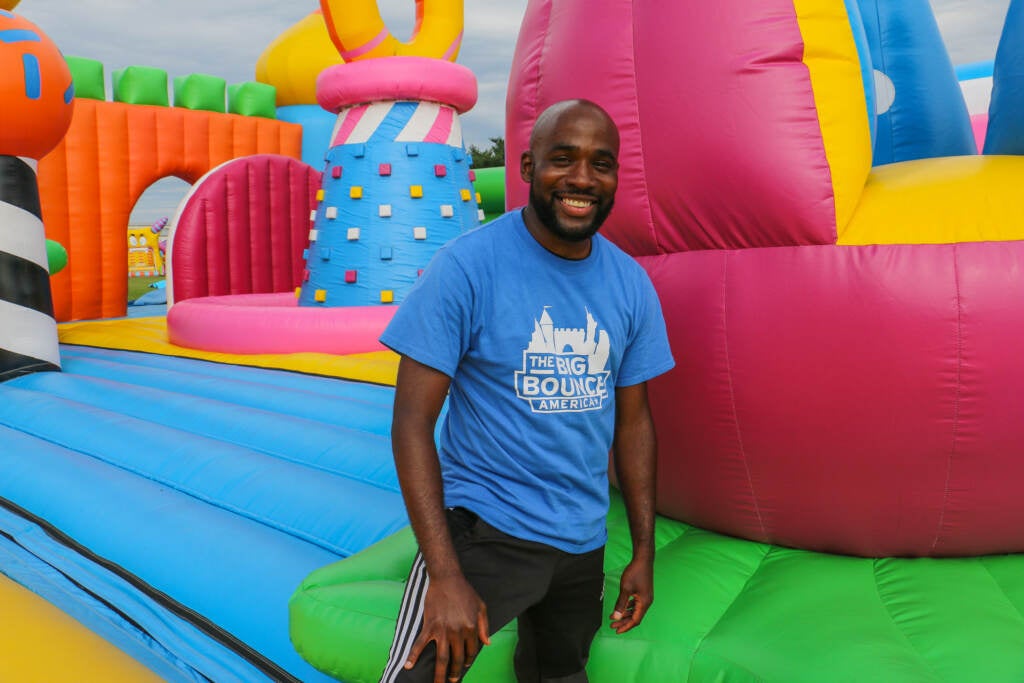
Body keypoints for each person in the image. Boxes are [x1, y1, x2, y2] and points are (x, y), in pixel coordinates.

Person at [377, 99, 675, 683]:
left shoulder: (630, 285)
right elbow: (411, 424)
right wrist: (445, 574)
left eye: (601, 163)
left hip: (581, 541)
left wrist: (643, 553)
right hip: (485, 532)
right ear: (526, 167)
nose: (582, 179)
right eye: (562, 159)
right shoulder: (466, 267)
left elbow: (634, 423)